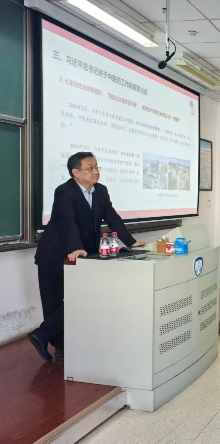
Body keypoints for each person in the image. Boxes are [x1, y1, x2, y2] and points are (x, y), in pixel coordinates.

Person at [29, 152, 145, 362]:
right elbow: (67, 221)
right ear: (75, 172)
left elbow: (112, 217)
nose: (96, 171)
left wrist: (130, 242)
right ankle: (60, 346)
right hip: (55, 254)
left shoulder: (100, 191)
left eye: (96, 167)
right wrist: (76, 246)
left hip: (81, 253)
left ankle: (41, 335)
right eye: (90, 168)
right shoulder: (64, 191)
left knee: (81, 296)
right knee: (53, 302)